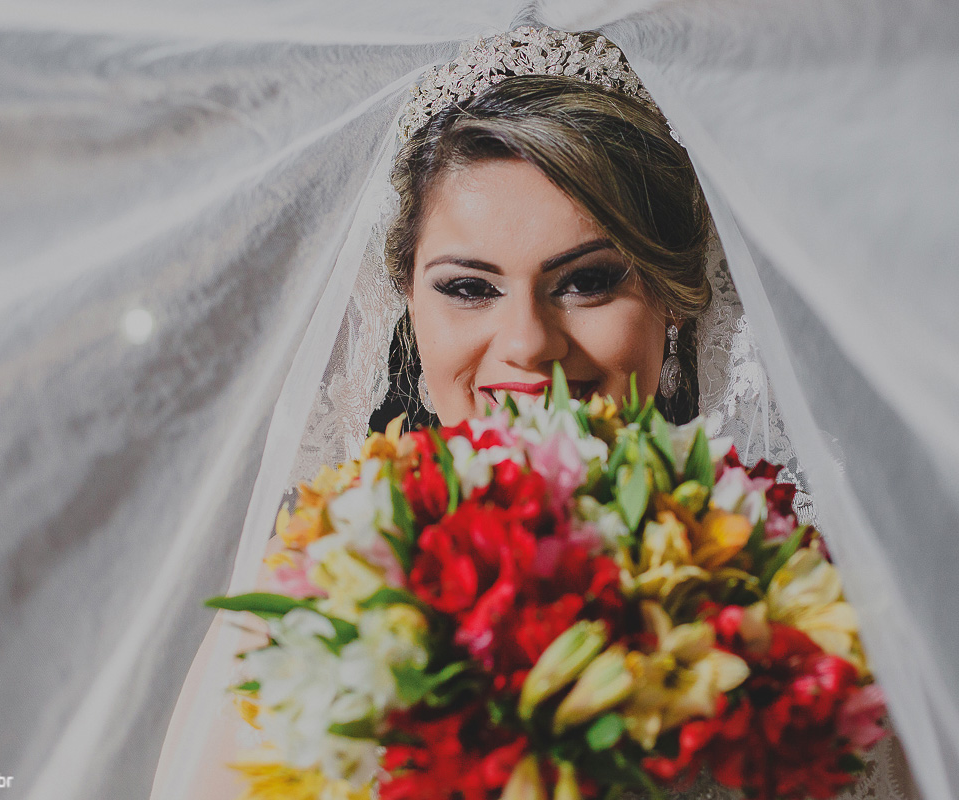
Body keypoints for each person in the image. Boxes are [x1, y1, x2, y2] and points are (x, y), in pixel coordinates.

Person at [154, 29, 920, 800]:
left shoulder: (793, 619)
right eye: (468, 287)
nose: (527, 344)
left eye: (586, 281)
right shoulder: (305, 622)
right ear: (407, 306)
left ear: (674, 302)